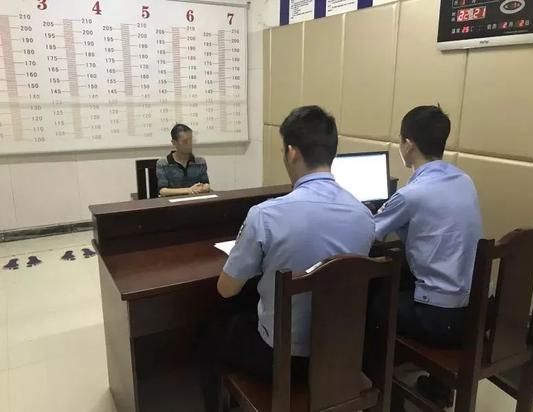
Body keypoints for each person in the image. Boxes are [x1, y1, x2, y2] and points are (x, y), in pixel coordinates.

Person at [199, 106, 376, 412]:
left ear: (292, 152)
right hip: (339, 355)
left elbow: (226, 289)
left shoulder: (265, 215)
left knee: (209, 337)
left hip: (279, 360)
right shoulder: (364, 217)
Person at [372, 105, 482, 408]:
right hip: (475, 314)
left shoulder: (412, 194)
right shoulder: (465, 181)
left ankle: (382, 393)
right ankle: (438, 387)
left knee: (375, 301)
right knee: (405, 277)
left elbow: (369, 233)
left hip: (441, 322)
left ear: (408, 144)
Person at [156, 123, 210, 197]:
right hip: (173, 201)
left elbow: (206, 184)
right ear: (174, 143)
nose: (190, 145)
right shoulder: (163, 163)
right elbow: (163, 191)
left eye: (191, 140)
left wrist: (204, 188)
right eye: (185, 142)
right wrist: (189, 190)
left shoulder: (200, 162)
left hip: (195, 200)